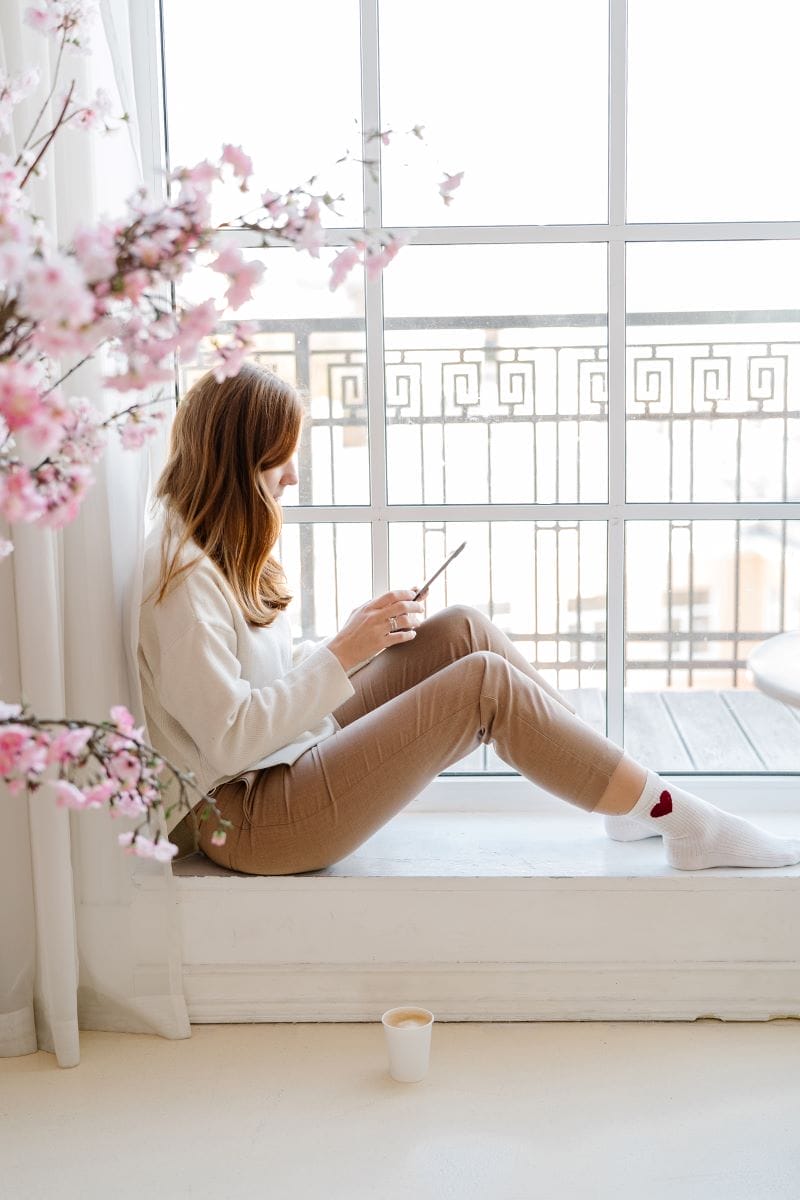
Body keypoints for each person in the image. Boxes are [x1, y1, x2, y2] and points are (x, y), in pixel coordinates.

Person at [138, 362, 800, 876]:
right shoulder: (182, 582)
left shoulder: (211, 542)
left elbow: (261, 679)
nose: (293, 477)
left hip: (282, 760)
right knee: (485, 684)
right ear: (235, 463)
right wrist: (341, 652)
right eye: (279, 458)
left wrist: (360, 636)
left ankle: (627, 802)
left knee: (459, 629)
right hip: (248, 819)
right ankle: (679, 817)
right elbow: (226, 741)